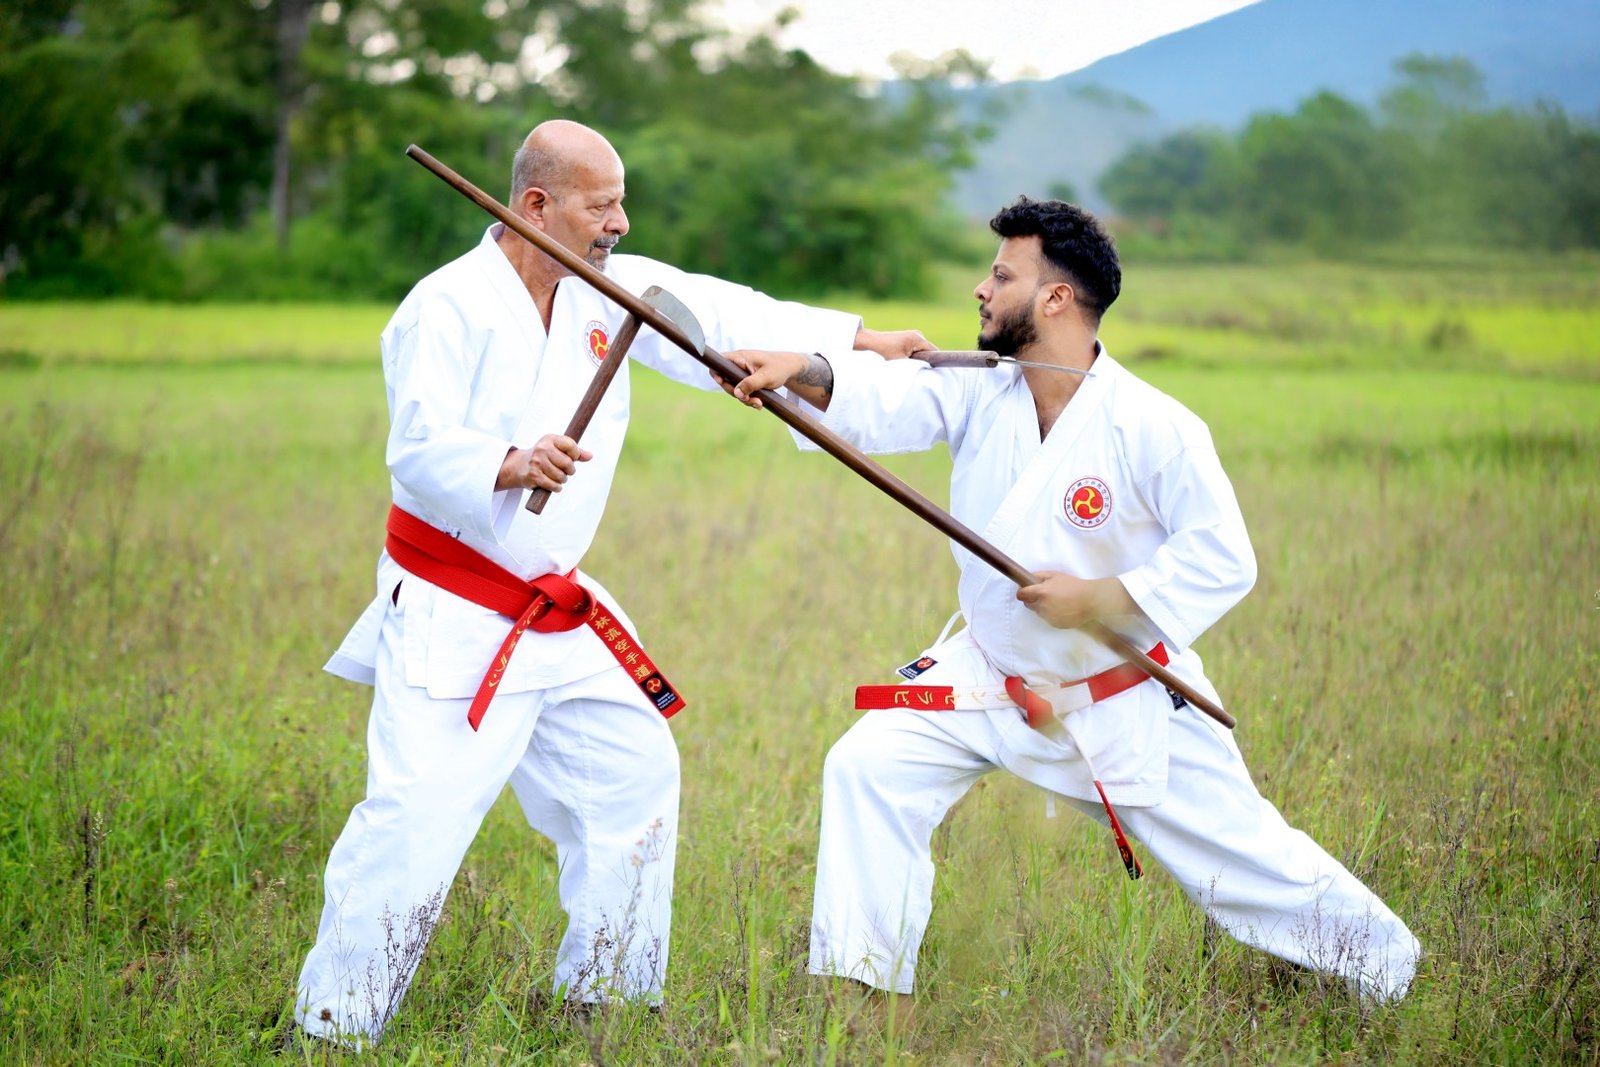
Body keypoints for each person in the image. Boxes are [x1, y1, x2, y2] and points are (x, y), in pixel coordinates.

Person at [295, 119, 929, 1045]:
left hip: (557, 605)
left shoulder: (609, 290)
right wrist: (511, 461)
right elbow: (419, 447)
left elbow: (718, 310)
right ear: (536, 204)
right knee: (416, 817)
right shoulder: (446, 306)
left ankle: (608, 994)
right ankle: (331, 1024)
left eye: (621, 202)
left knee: (632, 772)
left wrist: (859, 342)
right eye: (603, 204)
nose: (621, 223)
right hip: (459, 609)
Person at [722, 196, 1421, 1006]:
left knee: (1246, 862)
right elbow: (881, 402)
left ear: (1055, 298)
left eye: (1001, 274)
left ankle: (1389, 968)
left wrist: (1102, 596)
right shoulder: (980, 388)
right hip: (988, 675)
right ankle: (862, 991)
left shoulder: (1154, 423)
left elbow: (1225, 556)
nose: (982, 289)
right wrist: (800, 370)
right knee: (867, 767)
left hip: (1116, 694)